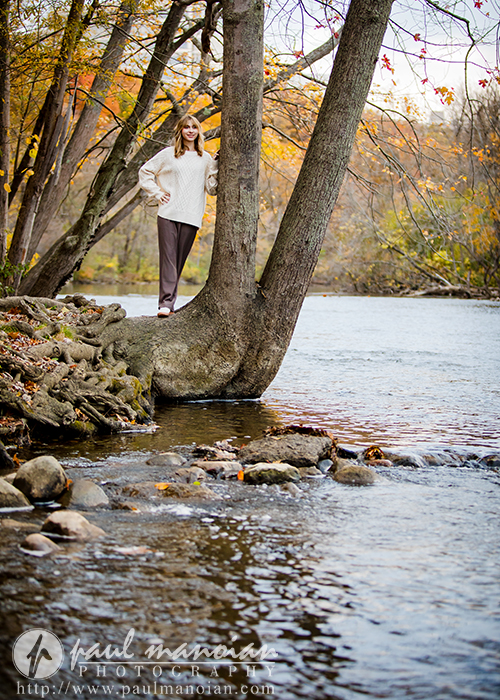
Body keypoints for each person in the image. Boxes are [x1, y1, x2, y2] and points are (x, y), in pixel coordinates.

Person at [138, 115, 218, 317]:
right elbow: (145, 172)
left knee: (179, 260)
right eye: (186, 127)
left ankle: (169, 304)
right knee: (168, 259)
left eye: (194, 127)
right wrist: (157, 193)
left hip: (192, 215)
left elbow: (212, 189)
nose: (190, 131)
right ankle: (164, 304)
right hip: (168, 213)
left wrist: (216, 166)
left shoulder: (205, 158)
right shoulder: (168, 154)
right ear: (180, 131)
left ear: (198, 132)